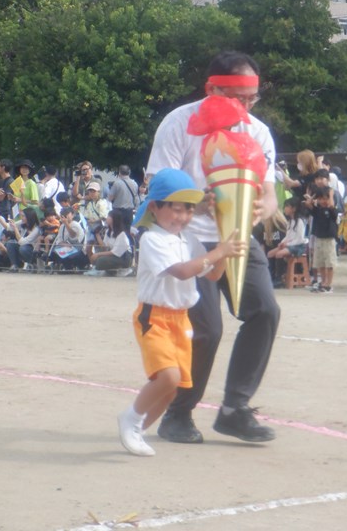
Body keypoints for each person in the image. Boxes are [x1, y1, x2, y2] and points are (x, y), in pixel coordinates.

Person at [147, 50, 280, 444]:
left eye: (253, 98)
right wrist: (192, 202)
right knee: (206, 329)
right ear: (213, 89)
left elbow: (270, 193)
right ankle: (179, 412)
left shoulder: (257, 131)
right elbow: (158, 185)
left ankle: (235, 409)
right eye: (240, 98)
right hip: (189, 237)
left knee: (265, 311)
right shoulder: (179, 124)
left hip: (236, 236)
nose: (247, 106)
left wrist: (265, 206)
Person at [117, 168, 245, 456]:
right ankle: (130, 418)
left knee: (174, 388)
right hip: (154, 317)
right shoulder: (152, 239)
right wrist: (219, 252)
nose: (184, 216)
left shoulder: (188, 239)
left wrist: (223, 252)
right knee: (169, 377)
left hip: (181, 319)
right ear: (154, 207)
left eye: (189, 209)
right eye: (176, 209)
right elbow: (184, 271)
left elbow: (212, 275)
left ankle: (138, 430)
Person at [266, 197, 307, 286]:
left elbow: (299, 239)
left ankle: (279, 278)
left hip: (298, 246)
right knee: (270, 254)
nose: (285, 209)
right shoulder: (290, 221)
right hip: (289, 245)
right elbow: (287, 236)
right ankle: (272, 276)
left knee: (279, 254)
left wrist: (287, 244)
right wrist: (282, 243)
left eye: (287, 206)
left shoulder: (300, 221)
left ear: (294, 209)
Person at [308, 186, 339, 293]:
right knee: (320, 262)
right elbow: (309, 206)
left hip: (329, 239)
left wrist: (331, 196)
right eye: (321, 199)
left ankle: (328, 284)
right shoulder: (317, 210)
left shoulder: (332, 210)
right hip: (319, 238)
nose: (323, 201)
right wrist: (312, 199)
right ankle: (323, 282)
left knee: (329, 263)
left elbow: (333, 211)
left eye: (326, 198)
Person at [4, 207, 41, 272]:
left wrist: (15, 228)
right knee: (10, 243)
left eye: (23, 216)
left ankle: (32, 264)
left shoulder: (37, 229)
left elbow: (22, 242)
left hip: (32, 250)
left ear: (29, 217)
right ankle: (15, 265)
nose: (21, 218)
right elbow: (8, 227)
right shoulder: (23, 223)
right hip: (23, 246)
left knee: (23, 248)